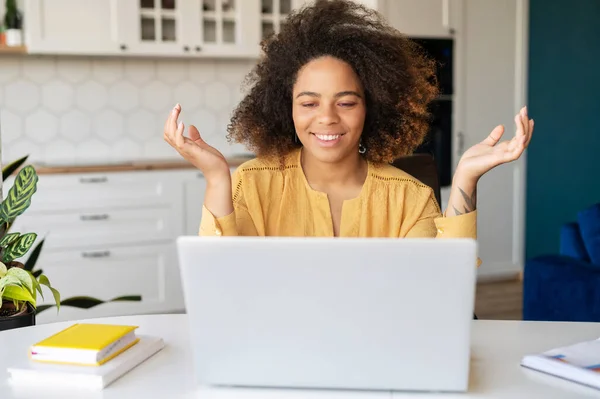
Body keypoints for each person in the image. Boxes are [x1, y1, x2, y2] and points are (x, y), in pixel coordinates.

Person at [163, 0, 533, 245]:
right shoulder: (252, 182)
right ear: (285, 108)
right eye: (309, 102)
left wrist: (467, 177)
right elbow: (222, 279)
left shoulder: (410, 197)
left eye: (346, 102)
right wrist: (216, 177)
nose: (327, 117)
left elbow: (441, 287)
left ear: (371, 108)